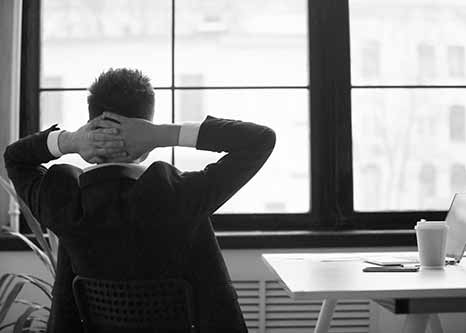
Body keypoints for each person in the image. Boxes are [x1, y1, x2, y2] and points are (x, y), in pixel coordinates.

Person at [4, 68, 275, 333]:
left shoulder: (61, 199)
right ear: (145, 129)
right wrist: (160, 134)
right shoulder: (179, 195)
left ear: (91, 124)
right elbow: (260, 139)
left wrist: (72, 141)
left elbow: (15, 157)